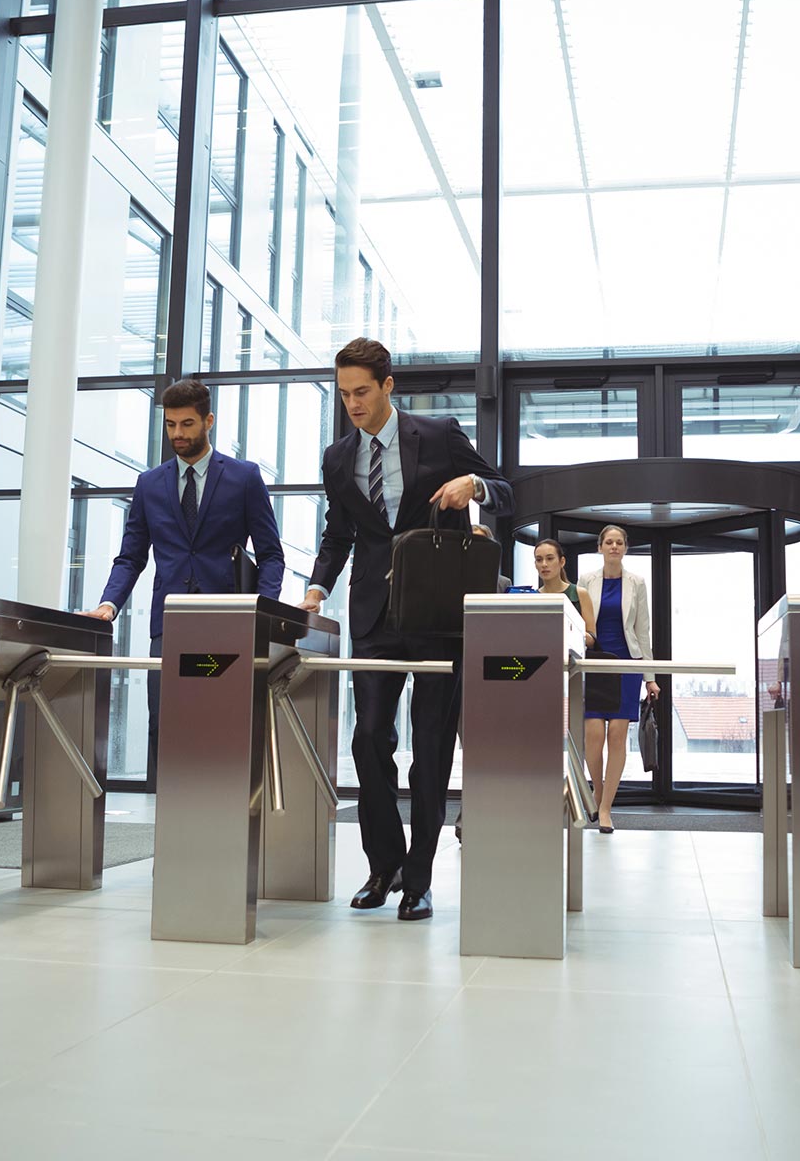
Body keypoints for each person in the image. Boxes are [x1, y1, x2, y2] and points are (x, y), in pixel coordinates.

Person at [301, 337, 513, 921]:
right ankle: (384, 865)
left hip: (438, 613)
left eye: (362, 392)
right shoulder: (337, 458)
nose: (353, 404)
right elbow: (339, 533)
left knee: (431, 748)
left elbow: (506, 491)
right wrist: (318, 586)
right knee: (368, 738)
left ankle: (419, 879)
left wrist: (475, 487)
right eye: (344, 394)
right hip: (374, 614)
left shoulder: (439, 435)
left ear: (388, 386)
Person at [87, 379, 285, 760]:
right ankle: (164, 801)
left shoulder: (244, 478)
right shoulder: (149, 484)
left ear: (208, 421)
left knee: (221, 727)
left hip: (227, 626)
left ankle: (221, 799)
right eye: (171, 424)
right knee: (165, 727)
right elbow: (130, 557)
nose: (177, 433)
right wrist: (108, 604)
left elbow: (271, 555)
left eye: (187, 424)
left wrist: (262, 613)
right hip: (169, 627)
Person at [579, 525, 656, 833]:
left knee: (617, 736)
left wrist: (649, 677)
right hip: (595, 662)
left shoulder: (637, 583)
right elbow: (579, 624)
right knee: (593, 735)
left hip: (626, 663)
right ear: (600, 547)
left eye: (619, 542)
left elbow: (642, 631)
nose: (614, 546)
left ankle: (606, 808)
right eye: (609, 542)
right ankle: (597, 791)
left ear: (625, 548)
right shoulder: (586, 580)